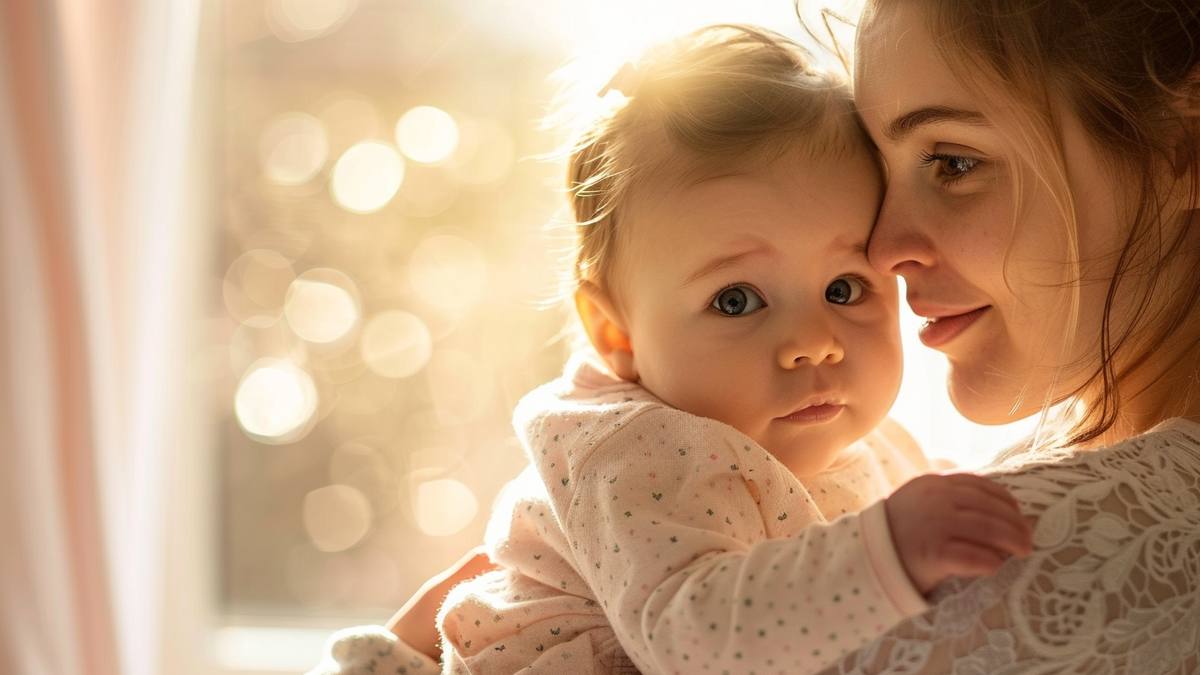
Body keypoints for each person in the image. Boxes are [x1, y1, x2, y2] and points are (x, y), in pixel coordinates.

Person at [307, 24, 1035, 675]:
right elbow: (694, 637)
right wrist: (891, 551)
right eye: (736, 300)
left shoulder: (860, 434)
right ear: (615, 333)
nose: (813, 343)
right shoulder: (635, 449)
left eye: (844, 288)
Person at [813, 0, 1200, 672]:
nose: (881, 248)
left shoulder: (1036, 557)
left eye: (954, 163)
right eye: (879, 171)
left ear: (1182, 151)